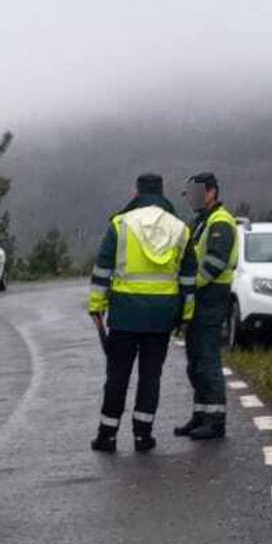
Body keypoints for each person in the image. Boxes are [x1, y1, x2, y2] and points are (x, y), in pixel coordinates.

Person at [88, 173, 197, 453]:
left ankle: (107, 435)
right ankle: (142, 436)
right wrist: (186, 315)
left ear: (136, 192)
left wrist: (96, 308)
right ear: (162, 193)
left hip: (125, 314)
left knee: (118, 376)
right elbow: (188, 279)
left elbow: (102, 271)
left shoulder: (120, 224)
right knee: (151, 377)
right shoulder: (180, 228)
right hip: (162, 316)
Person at [174, 172, 240, 440]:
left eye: (197, 192)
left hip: (211, 296)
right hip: (200, 298)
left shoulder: (220, 222)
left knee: (207, 360)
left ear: (211, 191)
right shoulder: (201, 222)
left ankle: (216, 420)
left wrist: (189, 285)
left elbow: (214, 263)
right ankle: (200, 415)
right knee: (195, 361)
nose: (192, 198)